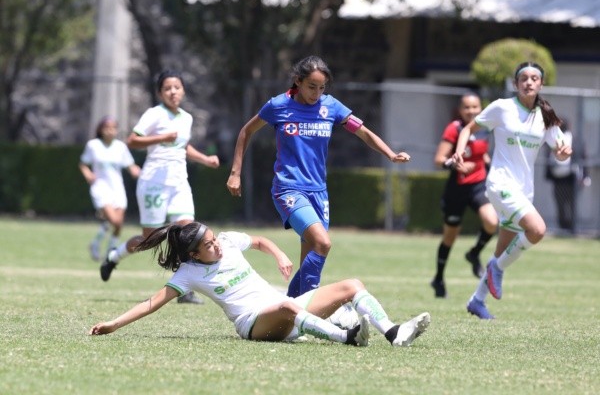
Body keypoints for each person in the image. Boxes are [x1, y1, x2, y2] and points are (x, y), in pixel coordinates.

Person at [226, 55, 411, 299]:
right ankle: (307, 313)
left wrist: (390, 154)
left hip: (318, 191)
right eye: (311, 86)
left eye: (321, 87)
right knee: (323, 243)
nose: (316, 93)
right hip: (288, 189)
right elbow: (246, 131)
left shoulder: (331, 107)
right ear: (298, 81)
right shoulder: (278, 106)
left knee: (311, 257)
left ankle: (291, 309)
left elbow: (363, 133)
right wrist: (235, 172)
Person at [89, 221, 431, 348]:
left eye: (213, 238)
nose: (217, 245)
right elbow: (151, 303)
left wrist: (280, 254)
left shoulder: (226, 240)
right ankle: (347, 336)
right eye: (208, 245)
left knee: (351, 284)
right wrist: (113, 325)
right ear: (193, 254)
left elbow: (258, 241)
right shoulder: (188, 274)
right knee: (286, 305)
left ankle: (393, 333)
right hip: (255, 324)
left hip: (288, 311)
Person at [451, 62, 572, 319]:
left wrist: (563, 154)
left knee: (502, 248)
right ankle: (497, 268)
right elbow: (469, 128)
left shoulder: (546, 117)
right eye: (524, 78)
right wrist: (460, 150)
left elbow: (561, 153)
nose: (529, 82)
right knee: (537, 230)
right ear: (516, 84)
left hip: (524, 191)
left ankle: (477, 300)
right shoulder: (502, 107)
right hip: (500, 184)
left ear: (541, 84)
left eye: (534, 78)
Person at [100, 70, 220, 305]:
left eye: (177, 87)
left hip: (179, 182)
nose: (173, 91)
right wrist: (161, 137)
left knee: (188, 233)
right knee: (150, 239)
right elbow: (132, 140)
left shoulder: (186, 117)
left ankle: (184, 290)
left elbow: (183, 146)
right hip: (154, 183)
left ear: (183, 90)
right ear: (160, 93)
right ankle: (114, 256)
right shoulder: (154, 114)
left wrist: (205, 159)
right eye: (167, 88)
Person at [430, 93, 498, 298]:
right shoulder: (455, 128)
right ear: (460, 110)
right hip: (457, 189)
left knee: (491, 222)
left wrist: (486, 162)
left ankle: (474, 253)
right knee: (450, 236)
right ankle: (439, 278)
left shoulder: (484, 128)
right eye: (467, 108)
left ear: (481, 108)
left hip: (478, 186)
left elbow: (481, 152)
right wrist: (456, 164)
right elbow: (439, 159)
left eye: (475, 107)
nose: (472, 111)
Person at [79, 116, 141, 261]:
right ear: (101, 130)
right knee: (115, 221)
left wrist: (135, 171)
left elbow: (130, 165)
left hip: (117, 188)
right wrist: (87, 173)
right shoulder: (93, 145)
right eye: (107, 128)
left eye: (113, 128)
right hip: (100, 188)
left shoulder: (120, 147)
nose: (110, 131)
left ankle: (102, 247)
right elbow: (82, 164)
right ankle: (111, 250)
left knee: (118, 224)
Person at [545, 119, 591, 233]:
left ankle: (572, 228)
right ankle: (562, 227)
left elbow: (583, 157)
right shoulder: (552, 140)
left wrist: (585, 176)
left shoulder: (575, 140)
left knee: (572, 204)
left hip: (571, 178)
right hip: (558, 178)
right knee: (560, 203)